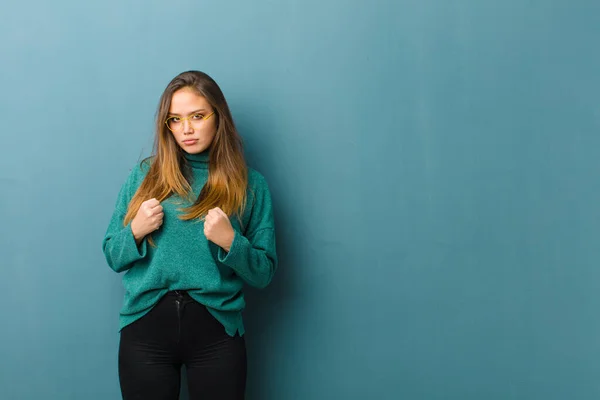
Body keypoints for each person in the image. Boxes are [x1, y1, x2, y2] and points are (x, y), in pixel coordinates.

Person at [102, 70, 277, 400]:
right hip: (145, 330)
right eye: (175, 119)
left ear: (218, 117)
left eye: (197, 116)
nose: (186, 129)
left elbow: (265, 272)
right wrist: (136, 231)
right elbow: (112, 253)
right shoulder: (144, 176)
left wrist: (231, 242)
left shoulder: (251, 186)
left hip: (217, 333)